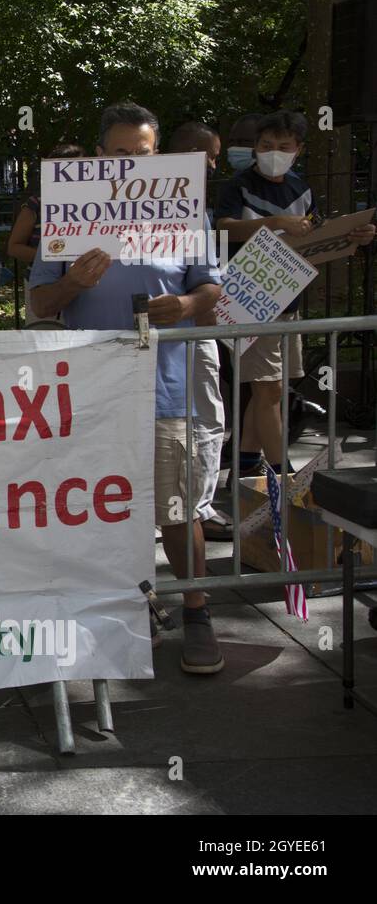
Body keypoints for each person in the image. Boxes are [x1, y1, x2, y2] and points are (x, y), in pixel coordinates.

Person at [29, 101, 225, 674]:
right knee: (102, 508)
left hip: (168, 385)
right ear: (97, 158)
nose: (132, 166)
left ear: (158, 156)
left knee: (178, 506)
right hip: (92, 391)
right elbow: (40, 304)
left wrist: (186, 304)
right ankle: (126, 609)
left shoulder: (189, 214)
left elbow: (212, 289)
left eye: (142, 156)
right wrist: (71, 283)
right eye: (119, 156)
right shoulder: (64, 220)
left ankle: (196, 612)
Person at [215, 110, 376, 479]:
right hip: (248, 299)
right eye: (266, 145)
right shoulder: (237, 186)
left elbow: (316, 237)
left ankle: (247, 463)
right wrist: (274, 223)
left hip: (287, 299)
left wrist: (353, 236)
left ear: (298, 150)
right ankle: (281, 473)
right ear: (255, 147)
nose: (273, 152)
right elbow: (223, 228)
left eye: (282, 146)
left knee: (269, 390)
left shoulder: (301, 190)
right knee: (270, 393)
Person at [168, 122, 233, 541]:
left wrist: (193, 304)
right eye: (210, 156)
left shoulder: (196, 208)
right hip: (158, 342)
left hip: (195, 336)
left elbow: (207, 281)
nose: (214, 165)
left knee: (206, 421)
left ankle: (199, 507)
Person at [7, 144, 85, 326]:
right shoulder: (37, 204)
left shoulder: (95, 204)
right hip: (43, 287)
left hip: (82, 288)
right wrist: (52, 258)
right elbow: (13, 247)